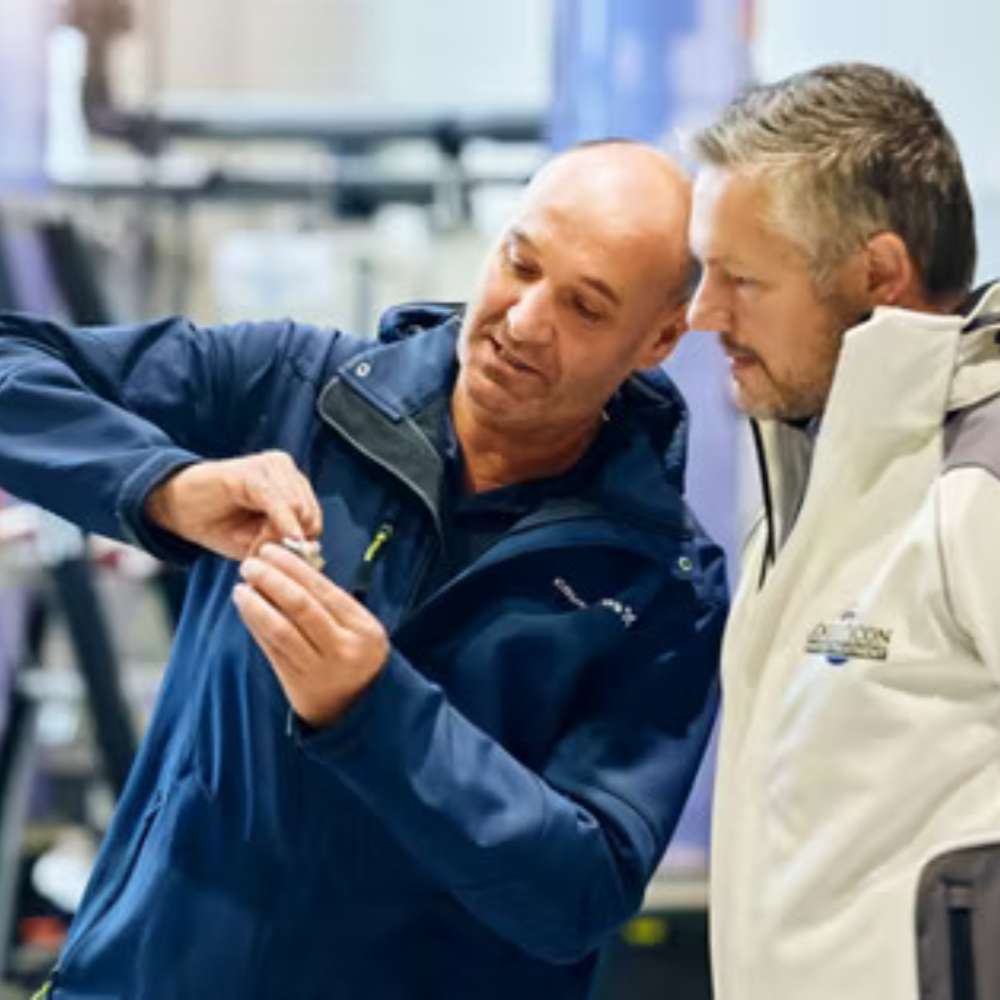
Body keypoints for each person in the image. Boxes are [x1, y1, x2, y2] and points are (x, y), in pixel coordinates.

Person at [0, 140, 726, 1000]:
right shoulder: (293, 390)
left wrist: (372, 711)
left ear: (660, 339)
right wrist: (166, 485)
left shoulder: (660, 586)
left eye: (586, 307)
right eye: (520, 263)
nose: (526, 320)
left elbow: (579, 896)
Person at [687, 62, 1000, 999]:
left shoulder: (978, 482)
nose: (704, 315)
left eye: (740, 278)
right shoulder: (809, 482)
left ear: (879, 275)